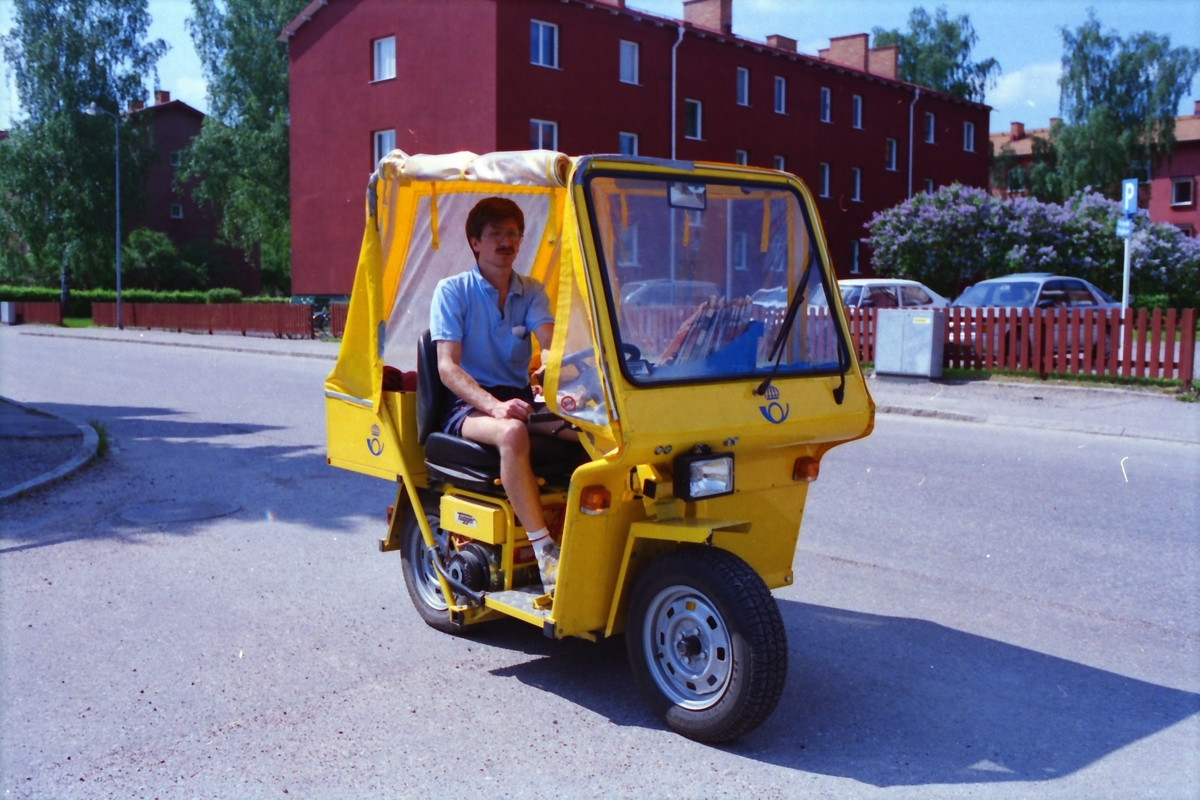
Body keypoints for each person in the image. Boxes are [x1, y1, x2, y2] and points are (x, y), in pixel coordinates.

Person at [430, 197, 570, 592]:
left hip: (519, 397)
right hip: (468, 405)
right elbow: (447, 367)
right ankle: (546, 554)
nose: (506, 242)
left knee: (594, 429)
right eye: (496, 235)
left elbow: (550, 342)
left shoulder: (531, 291)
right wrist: (494, 406)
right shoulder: (452, 291)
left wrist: (554, 364)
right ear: (476, 242)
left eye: (513, 234)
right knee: (511, 434)